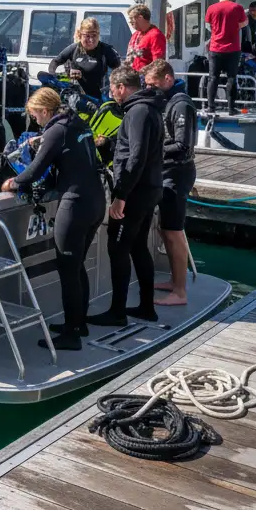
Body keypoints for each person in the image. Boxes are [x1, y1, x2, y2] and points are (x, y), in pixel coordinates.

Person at [1, 87, 105, 351]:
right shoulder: (76, 122)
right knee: (78, 264)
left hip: (76, 204)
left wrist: (12, 183)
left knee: (68, 269)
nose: (35, 120)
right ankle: (78, 323)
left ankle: (71, 336)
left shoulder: (55, 131)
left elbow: (35, 171)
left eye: (35, 115)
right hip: (95, 200)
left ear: (45, 111)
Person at [88, 65, 165, 327]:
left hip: (136, 191)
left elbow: (136, 155)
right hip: (148, 187)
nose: (112, 93)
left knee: (118, 246)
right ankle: (146, 306)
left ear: (122, 87)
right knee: (138, 245)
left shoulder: (138, 111)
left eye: (112, 89)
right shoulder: (147, 108)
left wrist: (121, 195)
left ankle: (117, 312)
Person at [143, 59, 195, 307]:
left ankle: (181, 292)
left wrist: (152, 149)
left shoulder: (181, 104)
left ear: (168, 79)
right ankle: (176, 281)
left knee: (174, 232)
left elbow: (183, 146)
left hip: (177, 173)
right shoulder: (166, 102)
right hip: (167, 173)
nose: (151, 89)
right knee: (165, 229)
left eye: (154, 85)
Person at [47, 17, 120, 98]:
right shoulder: (74, 48)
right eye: (87, 36)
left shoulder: (106, 50)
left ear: (99, 35)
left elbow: (118, 69)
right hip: (76, 96)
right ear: (80, 35)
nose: (91, 39)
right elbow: (55, 62)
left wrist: (113, 86)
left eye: (94, 35)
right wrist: (53, 75)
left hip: (99, 96)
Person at [204, 0, 248, 115]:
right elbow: (245, 23)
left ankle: (211, 107)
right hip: (233, 48)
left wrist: (217, 31)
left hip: (215, 48)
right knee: (231, 78)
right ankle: (231, 108)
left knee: (213, 78)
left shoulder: (212, 8)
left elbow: (208, 25)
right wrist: (234, 27)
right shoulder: (237, 8)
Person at [125, 5, 166, 74]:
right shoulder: (136, 34)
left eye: (132, 19)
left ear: (140, 18)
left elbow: (158, 62)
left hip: (145, 78)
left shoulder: (155, 35)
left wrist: (141, 72)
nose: (130, 22)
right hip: (131, 77)